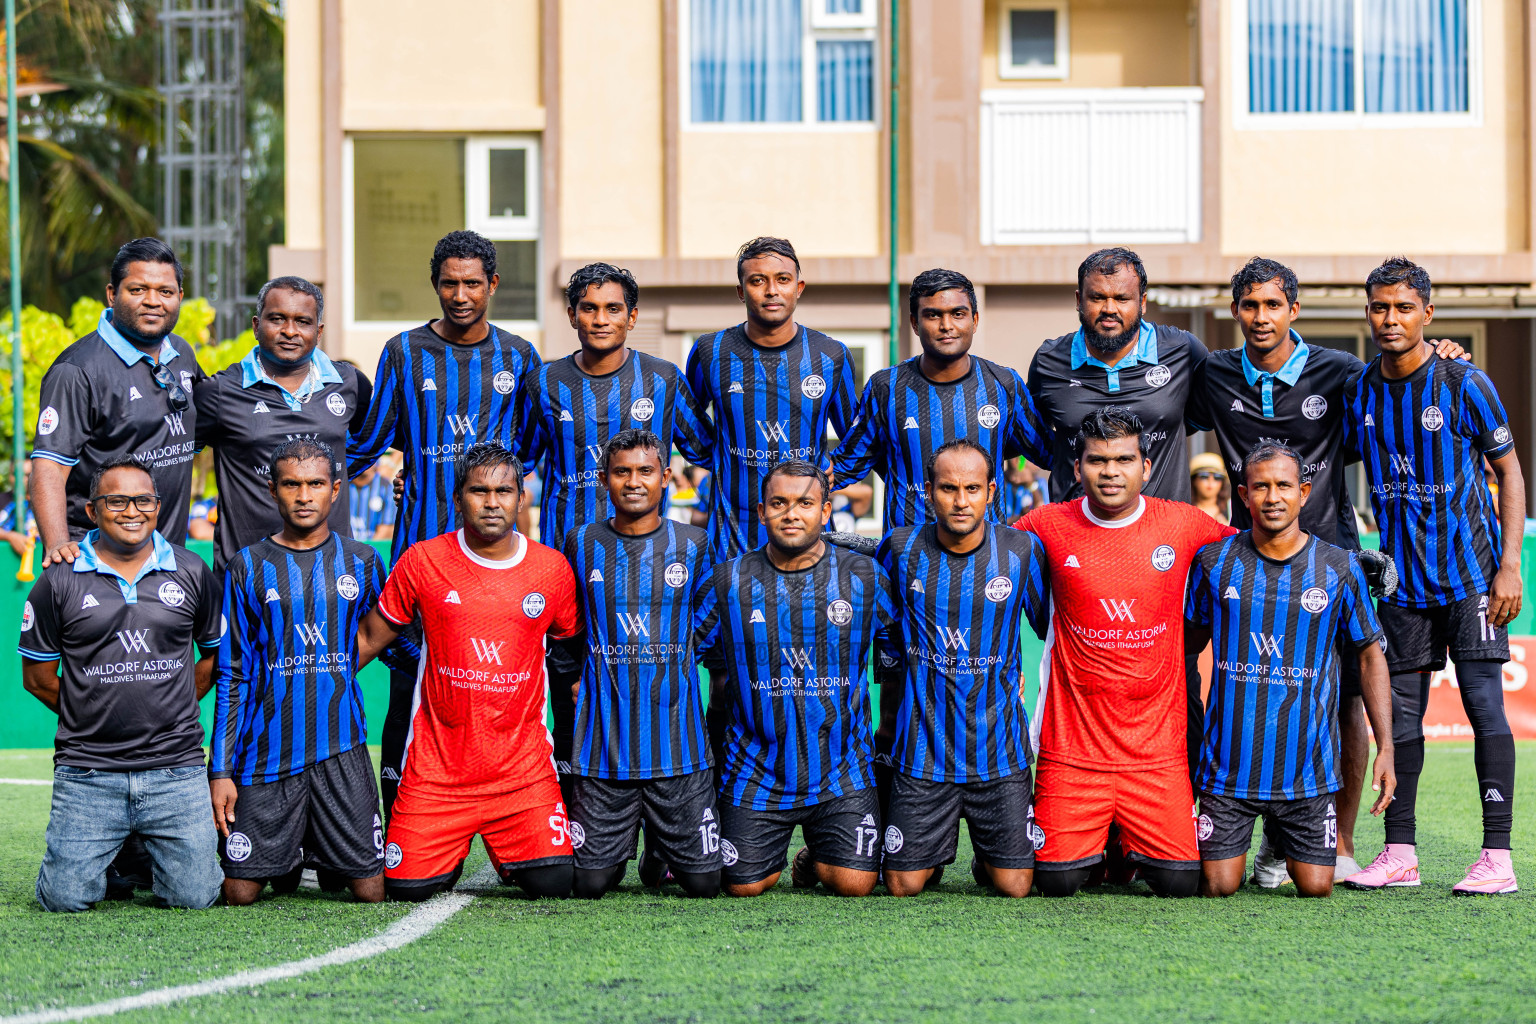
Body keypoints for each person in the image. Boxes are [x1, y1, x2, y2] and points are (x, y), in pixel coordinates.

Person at [1184, 257, 1466, 884]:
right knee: (1254, 691)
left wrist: (1440, 354)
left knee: (1342, 704)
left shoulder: (1338, 371)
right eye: (1250, 306)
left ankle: (1338, 842)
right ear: (1235, 311)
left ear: (1295, 310)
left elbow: (1399, 385)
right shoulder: (1214, 374)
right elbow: (1167, 419)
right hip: (1247, 560)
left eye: (1273, 305)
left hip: (1329, 555)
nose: (1261, 317)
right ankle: (1264, 835)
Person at [1343, 258, 1524, 895]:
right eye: (1379, 307)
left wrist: (1509, 565)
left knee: (1484, 708)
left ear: (1427, 312)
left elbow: (1510, 472)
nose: (1390, 319)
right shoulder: (1361, 390)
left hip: (1473, 578)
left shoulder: (1464, 382)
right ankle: (1401, 853)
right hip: (1401, 585)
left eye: (1403, 308)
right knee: (1402, 719)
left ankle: (1497, 857)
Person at [346, 230, 542, 815]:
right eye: (449, 283)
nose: (460, 295)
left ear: (493, 285)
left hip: (495, 564)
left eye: (472, 283)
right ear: (435, 284)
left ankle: (503, 810)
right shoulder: (403, 352)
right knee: (408, 688)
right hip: (420, 557)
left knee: (496, 686)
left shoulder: (519, 357)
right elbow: (369, 442)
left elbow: (531, 451)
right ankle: (396, 822)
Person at [1015, 408, 1233, 899]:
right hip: (1074, 748)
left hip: (1155, 751)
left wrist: (1344, 561)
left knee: (1179, 883)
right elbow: (981, 545)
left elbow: (1260, 549)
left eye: (1123, 460)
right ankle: (1087, 844)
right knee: (1056, 882)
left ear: (1146, 467)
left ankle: (1119, 843)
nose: (1110, 472)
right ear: (1077, 469)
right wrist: (869, 549)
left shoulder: (1182, 522)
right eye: (1097, 461)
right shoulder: (1047, 524)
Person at [355, 444, 581, 901]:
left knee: (556, 885)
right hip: (437, 774)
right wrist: (311, 681)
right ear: (458, 498)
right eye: (479, 491)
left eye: (504, 491)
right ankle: (451, 848)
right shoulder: (423, 560)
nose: (492, 502)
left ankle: (508, 849)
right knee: (406, 889)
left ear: (521, 498)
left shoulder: (552, 569)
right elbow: (368, 639)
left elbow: (574, 652)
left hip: (522, 774)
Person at [516, 263, 711, 788]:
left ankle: (667, 806)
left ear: (632, 316)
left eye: (613, 309)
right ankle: (577, 812)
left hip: (651, 566)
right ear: (572, 315)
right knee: (569, 691)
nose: (601, 319)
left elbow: (710, 451)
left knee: (656, 687)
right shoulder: (544, 382)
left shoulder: (663, 379)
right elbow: (514, 463)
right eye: (589, 308)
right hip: (568, 567)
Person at [1184, 442, 1397, 898]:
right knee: (1218, 884)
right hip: (1227, 772)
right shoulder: (1213, 562)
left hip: (1308, 774)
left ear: (1304, 492)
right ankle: (1262, 836)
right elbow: (1184, 648)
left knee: (1316, 887)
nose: (1272, 497)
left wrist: (1386, 747)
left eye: (1284, 486)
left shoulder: (1340, 567)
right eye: (1260, 487)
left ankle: (1277, 841)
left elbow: (1370, 655)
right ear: (1244, 495)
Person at [21, 456, 224, 912]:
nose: (132, 511)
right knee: (63, 900)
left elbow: (213, 657)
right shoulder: (58, 579)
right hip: (88, 772)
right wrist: (93, 709)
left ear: (158, 506)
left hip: (175, 769)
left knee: (195, 897)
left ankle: (144, 857)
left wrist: (170, 705)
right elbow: (36, 678)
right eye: (116, 501)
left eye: (143, 500)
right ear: (92, 510)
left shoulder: (192, 570)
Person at [696, 459, 894, 898]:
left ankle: (813, 856)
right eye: (779, 503)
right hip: (756, 771)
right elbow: (684, 656)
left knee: (854, 885)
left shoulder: (865, 577)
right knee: (744, 886)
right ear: (761, 510)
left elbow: (901, 649)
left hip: (842, 771)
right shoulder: (727, 582)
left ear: (825, 512)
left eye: (805, 503)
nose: (791, 514)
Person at [208, 438, 391, 905]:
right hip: (267, 750)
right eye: (291, 485)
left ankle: (313, 851)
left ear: (336, 489)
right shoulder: (246, 566)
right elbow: (232, 675)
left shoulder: (363, 561)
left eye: (315, 484)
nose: (304, 496)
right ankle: (292, 855)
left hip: (342, 747)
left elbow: (392, 637)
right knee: (239, 893)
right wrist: (220, 770)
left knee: (371, 892)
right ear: (272, 490)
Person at [877, 440, 1050, 898]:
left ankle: (987, 858)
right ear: (928, 491)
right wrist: (890, 710)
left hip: (1000, 751)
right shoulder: (899, 549)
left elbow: (1051, 628)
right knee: (903, 885)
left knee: (1015, 886)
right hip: (923, 753)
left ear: (991, 491)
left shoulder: (1021, 551)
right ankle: (931, 854)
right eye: (948, 488)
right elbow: (884, 630)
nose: (960, 500)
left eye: (972, 488)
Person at [562, 430, 720, 899]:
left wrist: (678, 660)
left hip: (677, 744)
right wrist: (573, 677)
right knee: (590, 884)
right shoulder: (581, 542)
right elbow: (567, 622)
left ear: (665, 477)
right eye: (622, 472)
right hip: (603, 748)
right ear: (604, 479)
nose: (634, 482)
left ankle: (659, 850)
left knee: (704, 885)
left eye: (645, 471)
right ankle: (627, 843)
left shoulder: (694, 543)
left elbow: (709, 619)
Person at [832, 268, 1051, 529]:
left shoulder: (1004, 385)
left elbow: (1051, 454)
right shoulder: (886, 387)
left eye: (958, 314)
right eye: (933, 315)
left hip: (987, 550)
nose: (946, 325)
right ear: (914, 323)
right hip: (908, 550)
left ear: (975, 320)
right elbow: (847, 465)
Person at [31, 238, 205, 568]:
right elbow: (49, 467)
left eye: (165, 291)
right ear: (112, 294)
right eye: (138, 290)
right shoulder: (78, 370)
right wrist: (56, 544)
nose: (153, 301)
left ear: (180, 297)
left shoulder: (182, 354)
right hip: (96, 563)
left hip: (166, 561)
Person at [685, 237, 857, 558]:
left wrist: (839, 472)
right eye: (757, 281)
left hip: (810, 541)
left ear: (798, 287)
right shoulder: (710, 352)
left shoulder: (831, 355)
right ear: (741, 291)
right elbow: (687, 424)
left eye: (782, 279)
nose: (771, 291)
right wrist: (723, 460)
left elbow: (856, 436)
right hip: (732, 540)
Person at [194, 276, 372, 571]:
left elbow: (374, 442)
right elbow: (176, 454)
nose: (290, 331)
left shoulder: (349, 383)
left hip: (333, 572)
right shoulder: (221, 391)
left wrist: (335, 472)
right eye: (277, 319)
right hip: (246, 575)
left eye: (303, 321)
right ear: (256, 326)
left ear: (319, 331)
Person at [1027, 247, 1207, 503]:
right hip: (1076, 524)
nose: (1109, 308)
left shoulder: (1182, 350)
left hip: (1164, 524)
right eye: (1097, 297)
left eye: (1122, 298)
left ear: (1142, 302)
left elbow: (1202, 417)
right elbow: (1031, 436)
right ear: (1079, 300)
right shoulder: (1049, 360)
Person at [348, 462, 396, 541]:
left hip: (373, 546)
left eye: (367, 456)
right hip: (344, 546)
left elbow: (386, 529)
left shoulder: (386, 488)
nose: (364, 460)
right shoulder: (339, 486)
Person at [1188, 452, 1228, 525]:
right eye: (1204, 476)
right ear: (1194, 480)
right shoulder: (1184, 508)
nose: (1211, 481)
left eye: (1217, 477)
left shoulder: (1231, 508)